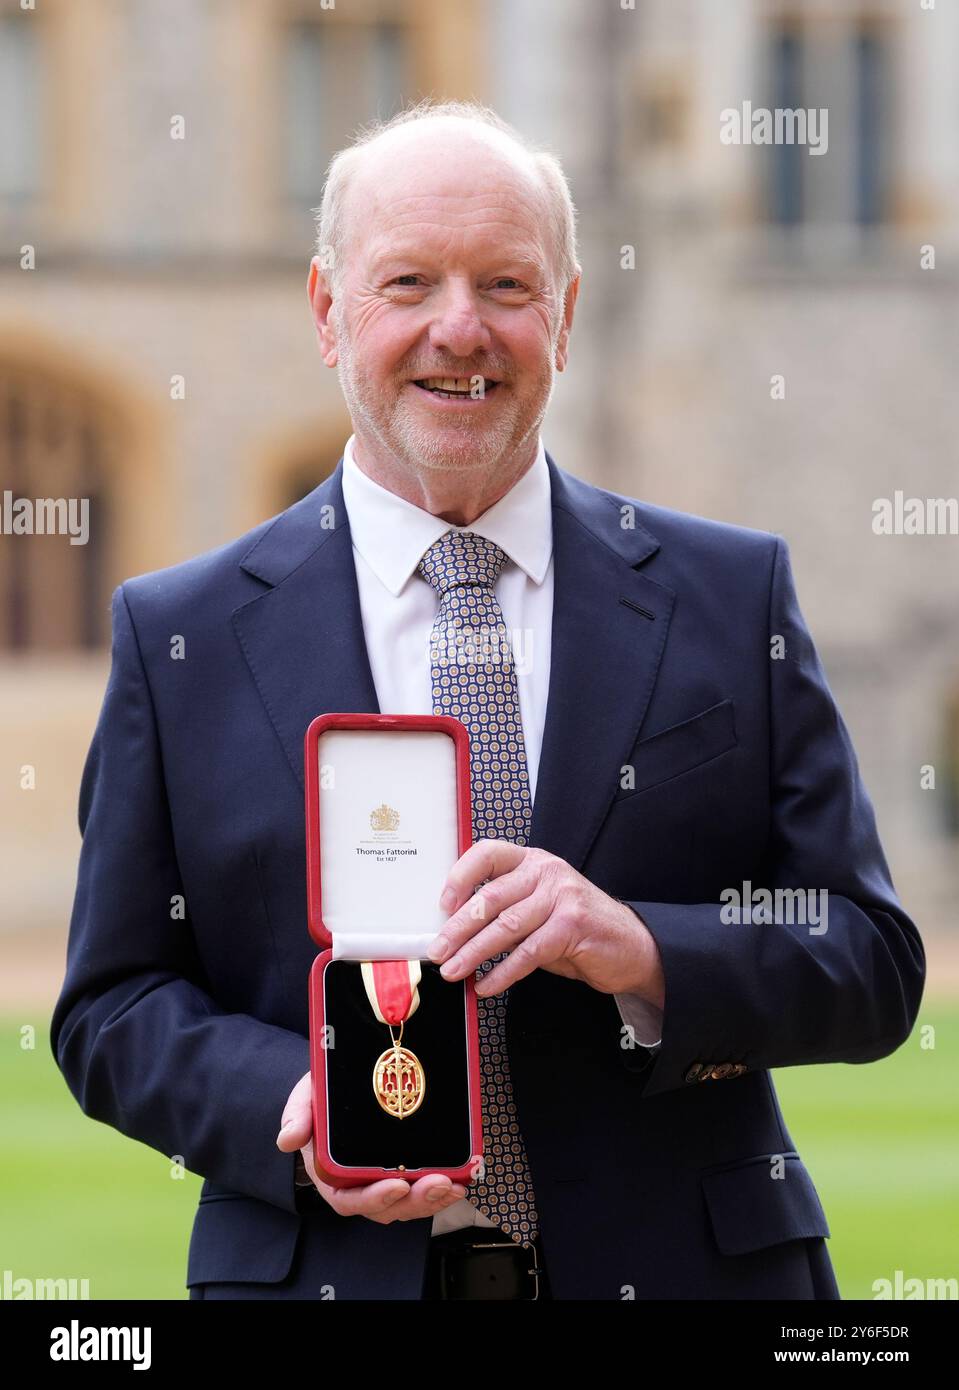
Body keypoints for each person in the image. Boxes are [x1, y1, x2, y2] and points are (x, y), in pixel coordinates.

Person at [51, 100, 925, 1301]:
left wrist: (636, 949)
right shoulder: (179, 635)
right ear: (327, 311)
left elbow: (867, 956)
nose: (458, 330)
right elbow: (111, 1006)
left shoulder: (729, 595)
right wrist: (297, 1103)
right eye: (406, 281)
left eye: (506, 285)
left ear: (562, 317)